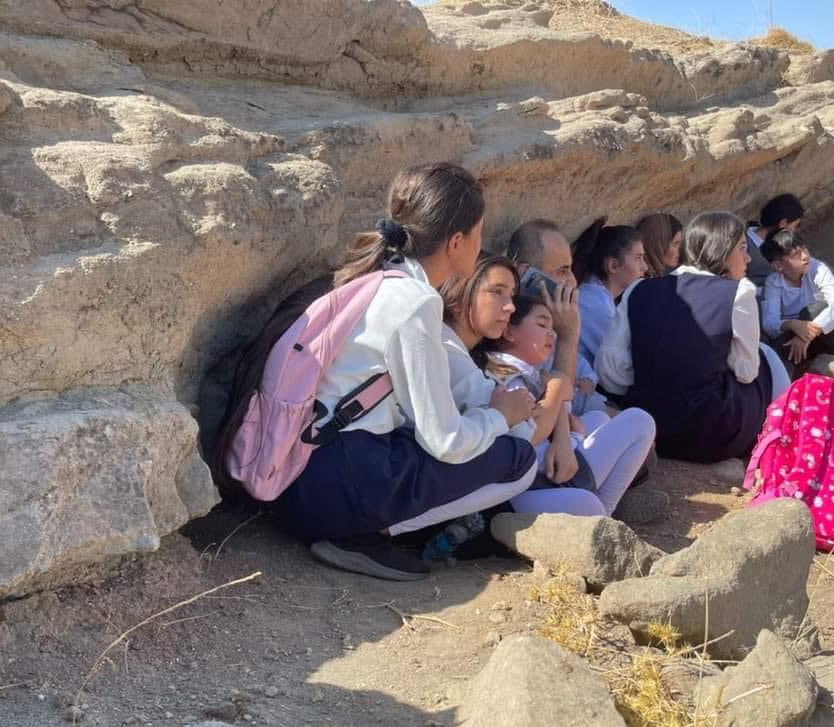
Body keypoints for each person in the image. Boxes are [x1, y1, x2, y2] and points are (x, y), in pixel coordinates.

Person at [279, 163, 538, 581]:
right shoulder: (416, 302)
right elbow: (446, 440)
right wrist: (500, 417)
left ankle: (366, 529)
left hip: (301, 476)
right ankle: (362, 536)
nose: (480, 244)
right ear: (457, 242)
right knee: (519, 460)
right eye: (478, 233)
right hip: (335, 489)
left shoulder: (376, 280)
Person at [441, 255, 664, 521]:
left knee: (598, 419)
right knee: (638, 423)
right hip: (522, 480)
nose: (552, 333)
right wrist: (559, 389)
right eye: (543, 325)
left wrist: (564, 434)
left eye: (511, 295)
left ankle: (599, 518)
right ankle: (602, 518)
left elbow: (557, 398)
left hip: (539, 466)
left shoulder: (524, 366)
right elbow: (526, 437)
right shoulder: (494, 370)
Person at [597, 211, 791, 463]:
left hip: (652, 430)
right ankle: (786, 431)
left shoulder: (639, 288)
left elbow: (612, 372)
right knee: (765, 356)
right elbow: (746, 371)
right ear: (720, 250)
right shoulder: (739, 293)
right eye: (742, 248)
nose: (747, 258)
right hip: (713, 436)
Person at [506, 219, 602, 415]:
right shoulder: (512, 324)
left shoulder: (553, 320)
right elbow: (560, 410)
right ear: (527, 274)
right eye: (562, 271)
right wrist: (569, 335)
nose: (573, 281)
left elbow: (585, 376)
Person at [760, 229, 834, 368]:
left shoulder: (817, 268)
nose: (805, 256)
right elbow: (769, 322)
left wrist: (807, 333)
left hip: (830, 334)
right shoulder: (773, 283)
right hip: (796, 340)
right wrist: (792, 324)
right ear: (778, 265)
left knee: (813, 310)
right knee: (773, 349)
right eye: (796, 254)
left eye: (804, 249)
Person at [571, 217, 648, 371]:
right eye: (638, 258)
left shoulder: (600, 297)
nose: (644, 267)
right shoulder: (593, 303)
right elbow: (621, 363)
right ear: (613, 265)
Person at [747, 193, 805, 294]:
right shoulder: (744, 246)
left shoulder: (779, 241)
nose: (794, 231)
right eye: (794, 226)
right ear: (783, 223)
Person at [636, 213, 684, 278]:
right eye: (675, 243)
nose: (680, 249)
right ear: (657, 246)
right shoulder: (640, 283)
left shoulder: (664, 276)